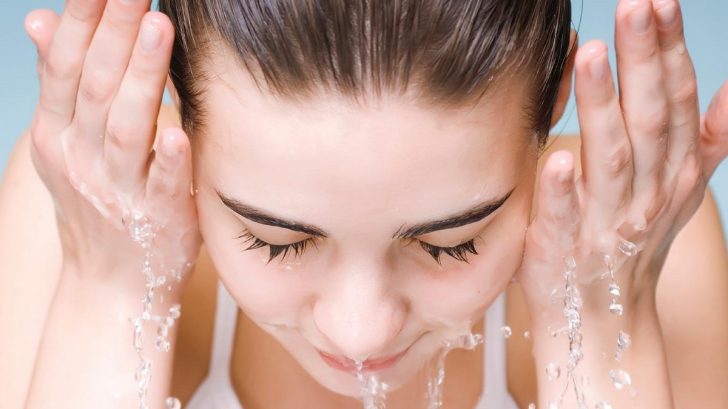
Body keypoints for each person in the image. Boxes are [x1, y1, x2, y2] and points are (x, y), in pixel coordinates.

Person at [1, 0, 727, 408]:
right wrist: (108, 291)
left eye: (452, 244)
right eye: (275, 242)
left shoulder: (622, 237)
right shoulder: (100, 206)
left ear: (552, 107)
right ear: (181, 114)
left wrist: (601, 318)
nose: (359, 332)